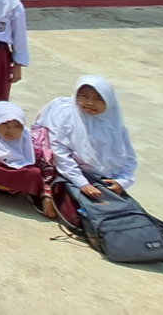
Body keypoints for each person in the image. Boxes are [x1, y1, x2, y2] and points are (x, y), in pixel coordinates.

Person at [34, 76, 137, 222]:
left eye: (99, 99)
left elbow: (130, 159)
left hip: (99, 178)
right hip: (66, 169)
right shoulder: (68, 117)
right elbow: (60, 152)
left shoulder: (115, 126)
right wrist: (82, 183)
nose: (90, 103)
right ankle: (47, 195)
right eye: (84, 96)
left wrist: (122, 182)